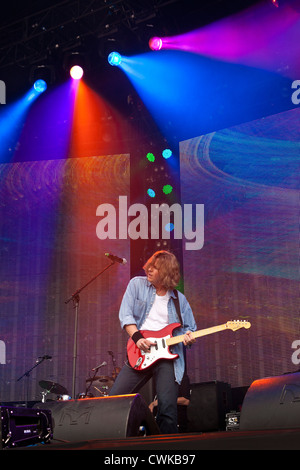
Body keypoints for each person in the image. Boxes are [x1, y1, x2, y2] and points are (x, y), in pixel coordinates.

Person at [109, 250, 197, 434]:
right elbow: (125, 315)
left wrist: (189, 337)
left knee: (167, 410)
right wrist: (138, 338)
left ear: (166, 273)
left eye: (155, 268)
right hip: (140, 352)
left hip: (167, 357)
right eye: (149, 265)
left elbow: (191, 328)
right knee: (114, 400)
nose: (148, 269)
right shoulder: (136, 285)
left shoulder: (179, 300)